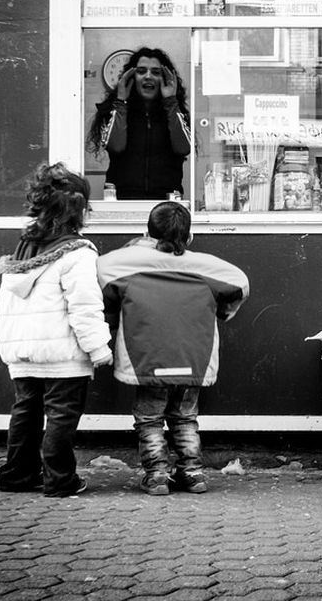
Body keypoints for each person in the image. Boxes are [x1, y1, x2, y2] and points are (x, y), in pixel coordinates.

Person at [97, 201, 250, 495]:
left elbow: (100, 274)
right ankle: (192, 474)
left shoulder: (123, 263)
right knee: (186, 417)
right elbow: (239, 284)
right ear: (189, 236)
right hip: (193, 356)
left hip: (147, 357)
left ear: (148, 234)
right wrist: (222, 312)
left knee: (149, 419)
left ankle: (156, 475)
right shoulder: (206, 267)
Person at [0, 162, 113, 498]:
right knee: (61, 416)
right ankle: (60, 479)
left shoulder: (24, 247)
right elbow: (84, 307)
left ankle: (17, 475)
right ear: (80, 211)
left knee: (25, 412)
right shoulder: (77, 254)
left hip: (23, 350)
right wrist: (98, 348)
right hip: (62, 354)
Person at [86, 47, 192, 200]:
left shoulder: (174, 111)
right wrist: (121, 102)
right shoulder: (115, 110)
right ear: (132, 77)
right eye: (141, 71)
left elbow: (183, 148)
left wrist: (170, 102)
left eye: (156, 72)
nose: (148, 76)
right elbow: (116, 147)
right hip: (123, 201)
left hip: (165, 202)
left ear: (164, 78)